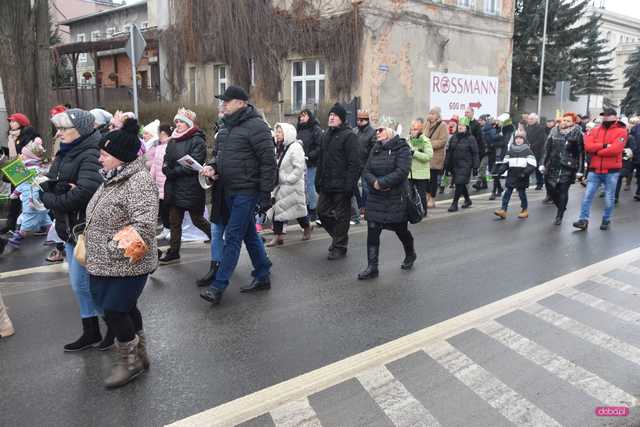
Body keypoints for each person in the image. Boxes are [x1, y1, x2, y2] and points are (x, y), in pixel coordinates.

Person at [85, 118, 158, 388]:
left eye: (104, 154)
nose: (100, 158)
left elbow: (144, 228)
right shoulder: (113, 178)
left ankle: (129, 362)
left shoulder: (138, 182)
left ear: (120, 157)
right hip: (103, 263)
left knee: (115, 311)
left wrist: (108, 249)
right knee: (122, 308)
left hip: (129, 263)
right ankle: (140, 354)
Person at [200, 85, 275, 306]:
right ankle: (263, 274)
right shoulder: (224, 127)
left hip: (247, 191)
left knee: (232, 237)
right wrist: (213, 167)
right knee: (249, 235)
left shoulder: (257, 127)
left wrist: (264, 194)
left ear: (241, 103)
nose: (223, 103)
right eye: (222, 100)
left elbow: (268, 162)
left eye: (227, 100)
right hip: (227, 190)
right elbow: (219, 156)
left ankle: (218, 286)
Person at [44, 109, 107, 351]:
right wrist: (56, 190)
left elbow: (83, 193)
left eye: (63, 129)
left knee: (85, 284)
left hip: (85, 229)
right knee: (79, 284)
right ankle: (91, 331)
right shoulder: (66, 151)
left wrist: (52, 198)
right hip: (69, 229)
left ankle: (118, 325)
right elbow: (54, 183)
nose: (58, 134)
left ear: (79, 130)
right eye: (58, 129)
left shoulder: (90, 152)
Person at [357, 127, 414, 280]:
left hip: (395, 198)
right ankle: (372, 267)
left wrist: (381, 182)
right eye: (377, 130)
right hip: (376, 197)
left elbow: (402, 171)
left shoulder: (402, 149)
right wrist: (374, 183)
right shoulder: (376, 147)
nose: (377, 133)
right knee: (373, 230)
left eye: (381, 130)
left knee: (401, 230)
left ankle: (410, 253)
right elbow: (366, 170)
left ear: (390, 131)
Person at [159, 108, 211, 264]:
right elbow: (166, 160)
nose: (178, 124)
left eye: (181, 121)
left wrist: (173, 171)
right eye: (176, 121)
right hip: (174, 187)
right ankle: (174, 251)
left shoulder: (197, 140)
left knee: (197, 220)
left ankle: (217, 239)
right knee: (174, 220)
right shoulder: (173, 140)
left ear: (188, 124)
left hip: (191, 187)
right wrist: (166, 169)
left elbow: (193, 163)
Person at [314, 103, 360, 260]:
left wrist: (350, 185)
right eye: (330, 115)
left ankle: (339, 246)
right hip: (326, 183)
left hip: (342, 185)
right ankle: (339, 238)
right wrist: (317, 179)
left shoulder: (349, 136)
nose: (331, 117)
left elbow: (355, 163)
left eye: (335, 115)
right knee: (321, 212)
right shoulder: (326, 135)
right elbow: (321, 160)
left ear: (342, 119)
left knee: (342, 216)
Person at [573, 108, 627, 231]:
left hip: (611, 170)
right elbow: (588, 146)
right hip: (595, 169)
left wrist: (597, 151)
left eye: (608, 116)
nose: (605, 118)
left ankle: (606, 219)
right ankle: (583, 220)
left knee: (609, 198)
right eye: (604, 116)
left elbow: (616, 149)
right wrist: (604, 146)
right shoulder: (595, 130)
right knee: (587, 196)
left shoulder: (621, 131)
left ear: (615, 117)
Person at [266, 122, 312, 246]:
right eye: (277, 132)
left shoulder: (295, 147)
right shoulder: (280, 147)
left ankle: (306, 228)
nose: (277, 134)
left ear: (288, 133)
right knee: (279, 209)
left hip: (292, 185)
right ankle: (279, 236)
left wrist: (288, 180)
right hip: (281, 184)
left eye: (280, 132)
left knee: (296, 210)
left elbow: (299, 167)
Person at [540, 113, 584, 225]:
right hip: (552, 165)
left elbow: (581, 153)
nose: (565, 122)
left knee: (563, 190)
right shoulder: (554, 131)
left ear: (573, 122)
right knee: (550, 188)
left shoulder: (577, 133)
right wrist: (542, 163)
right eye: (564, 120)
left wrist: (580, 170)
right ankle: (561, 206)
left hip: (568, 166)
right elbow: (547, 149)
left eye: (568, 121)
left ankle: (559, 215)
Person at [7, 140, 52, 247]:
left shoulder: (28, 170)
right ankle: (53, 237)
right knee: (45, 219)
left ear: (29, 157)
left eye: (23, 154)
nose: (21, 156)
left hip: (30, 200)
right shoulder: (37, 169)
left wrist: (15, 193)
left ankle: (18, 236)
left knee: (28, 218)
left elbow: (24, 185)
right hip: (39, 199)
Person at [2, 113, 38, 234]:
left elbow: (30, 153)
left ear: (21, 123)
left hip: (27, 169)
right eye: (10, 121)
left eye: (14, 121)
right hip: (16, 169)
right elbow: (12, 156)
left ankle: (36, 225)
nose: (11, 124)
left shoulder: (29, 136)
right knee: (15, 198)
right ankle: (11, 225)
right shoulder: (12, 137)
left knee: (29, 198)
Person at [494, 132, 537, 219]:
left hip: (522, 176)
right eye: (517, 138)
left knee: (522, 194)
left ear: (524, 140)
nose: (518, 140)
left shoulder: (528, 151)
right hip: (511, 175)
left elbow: (532, 164)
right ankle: (503, 210)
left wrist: (524, 173)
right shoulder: (510, 151)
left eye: (520, 138)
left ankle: (524, 210)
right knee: (507, 193)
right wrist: (499, 172)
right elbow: (505, 164)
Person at [444, 116, 479, 212]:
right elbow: (449, 152)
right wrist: (446, 165)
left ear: (467, 127)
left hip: (465, 165)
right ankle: (467, 200)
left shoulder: (471, 138)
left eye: (463, 126)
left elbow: (475, 153)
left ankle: (454, 204)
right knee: (461, 184)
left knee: (459, 183)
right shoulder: (454, 138)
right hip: (455, 165)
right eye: (459, 125)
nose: (460, 127)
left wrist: (475, 167)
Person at [296, 109, 322, 221]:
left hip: (312, 163)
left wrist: (310, 155)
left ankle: (314, 210)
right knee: (303, 188)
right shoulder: (299, 129)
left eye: (304, 116)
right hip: (300, 163)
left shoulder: (315, 129)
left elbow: (319, 146)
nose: (301, 118)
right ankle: (305, 210)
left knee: (311, 186)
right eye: (300, 116)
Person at [149, 124, 173, 241]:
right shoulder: (158, 147)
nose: (159, 136)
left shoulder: (171, 146)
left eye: (161, 133)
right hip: (159, 184)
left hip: (167, 182)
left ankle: (171, 229)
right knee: (162, 208)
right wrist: (150, 178)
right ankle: (166, 228)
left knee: (169, 207)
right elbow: (154, 165)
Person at [423, 107, 449, 208]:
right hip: (425, 156)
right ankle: (426, 195)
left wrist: (428, 144)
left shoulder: (442, 126)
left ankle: (432, 198)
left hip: (435, 156)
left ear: (438, 115)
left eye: (433, 114)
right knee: (425, 179)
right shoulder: (426, 124)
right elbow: (422, 136)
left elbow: (442, 141)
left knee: (433, 179)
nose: (431, 115)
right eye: (430, 113)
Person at [408, 118, 433, 216]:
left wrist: (414, 153)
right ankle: (412, 211)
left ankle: (423, 211)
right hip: (410, 173)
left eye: (415, 129)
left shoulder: (425, 140)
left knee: (421, 194)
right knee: (409, 194)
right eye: (412, 129)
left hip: (421, 173)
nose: (413, 131)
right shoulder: (408, 139)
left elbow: (428, 156)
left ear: (420, 130)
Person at [354, 110, 377, 211]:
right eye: (358, 119)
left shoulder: (372, 132)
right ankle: (359, 204)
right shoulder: (355, 131)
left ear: (366, 120)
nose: (359, 122)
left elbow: (374, 149)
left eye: (361, 120)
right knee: (352, 184)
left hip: (366, 164)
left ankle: (365, 207)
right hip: (355, 163)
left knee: (366, 187)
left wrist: (369, 163)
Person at [524, 113, 548, 191]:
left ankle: (540, 183)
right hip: (528, 150)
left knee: (537, 168)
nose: (530, 120)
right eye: (529, 119)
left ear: (536, 120)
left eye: (532, 119)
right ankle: (525, 183)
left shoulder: (540, 128)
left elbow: (541, 140)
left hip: (537, 150)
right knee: (527, 166)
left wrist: (532, 145)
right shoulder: (527, 128)